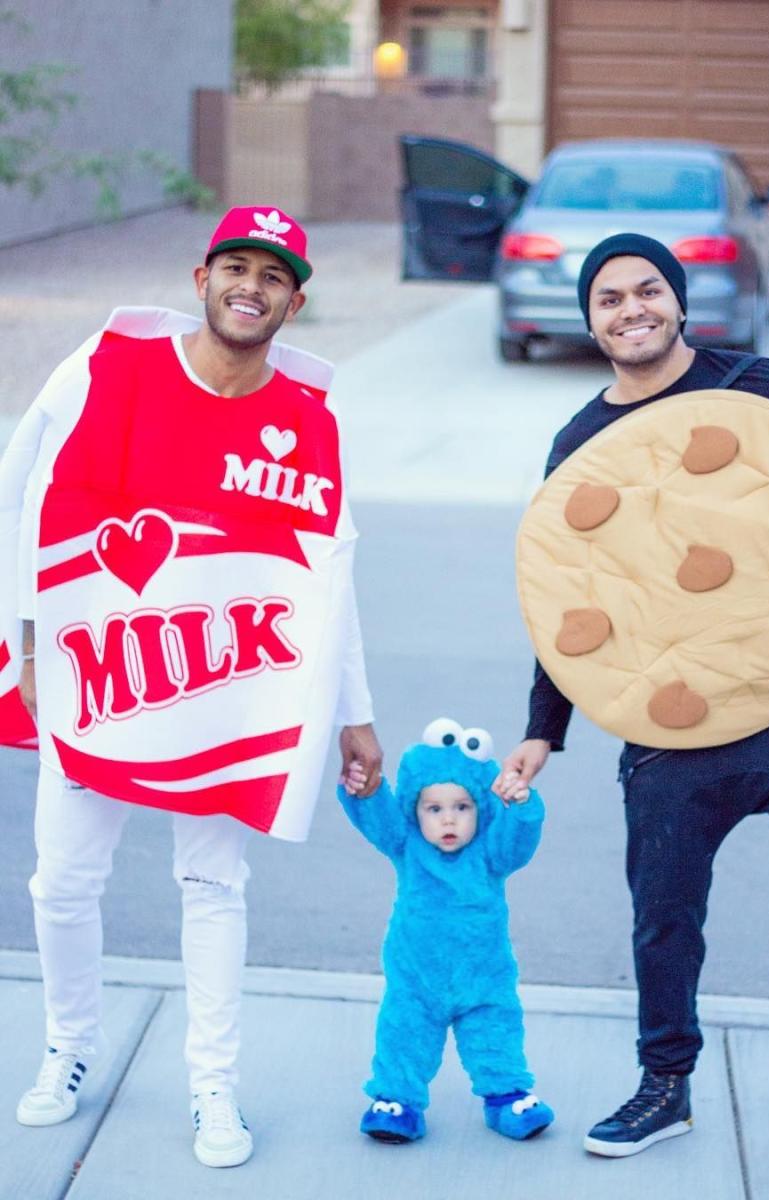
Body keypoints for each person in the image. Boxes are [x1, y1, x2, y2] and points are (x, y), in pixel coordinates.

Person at [494, 234, 769, 1170]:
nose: (630, 309)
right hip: (668, 730)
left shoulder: (763, 390)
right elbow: (573, 601)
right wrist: (543, 730)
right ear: (588, 320)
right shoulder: (582, 444)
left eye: (646, 291)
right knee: (664, 917)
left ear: (678, 300)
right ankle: (664, 1084)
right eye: (608, 299)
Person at [3, 206, 382, 1168]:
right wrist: (31, 652)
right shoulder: (108, 368)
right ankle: (69, 1049)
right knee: (63, 882)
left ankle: (213, 1087)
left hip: (228, 698)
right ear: (202, 274)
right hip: (99, 679)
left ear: (297, 300)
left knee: (212, 884)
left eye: (273, 275)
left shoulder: (311, 417)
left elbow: (328, 580)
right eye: (237, 267)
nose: (251, 287)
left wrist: (357, 714)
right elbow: (29, 504)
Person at [338, 718, 554, 1144]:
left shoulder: (490, 853)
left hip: (483, 977)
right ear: (415, 811)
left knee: (495, 1031)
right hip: (417, 976)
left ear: (482, 808)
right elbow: (378, 816)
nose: (448, 820)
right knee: (404, 1032)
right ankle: (397, 1100)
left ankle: (506, 1096)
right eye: (434, 809)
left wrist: (522, 806)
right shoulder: (408, 845)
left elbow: (519, 839)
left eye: (463, 807)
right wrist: (365, 789)